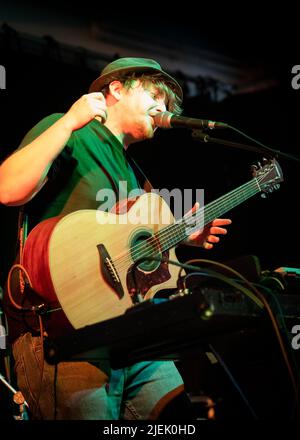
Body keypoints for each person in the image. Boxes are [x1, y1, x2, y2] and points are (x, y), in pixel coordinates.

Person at [0, 57, 231, 420]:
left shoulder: (133, 173)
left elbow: (131, 253)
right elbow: (8, 189)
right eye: (156, 94)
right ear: (117, 88)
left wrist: (183, 237)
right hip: (62, 333)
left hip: (127, 332)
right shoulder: (70, 130)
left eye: (169, 106)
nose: (163, 109)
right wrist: (69, 121)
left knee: (179, 418)